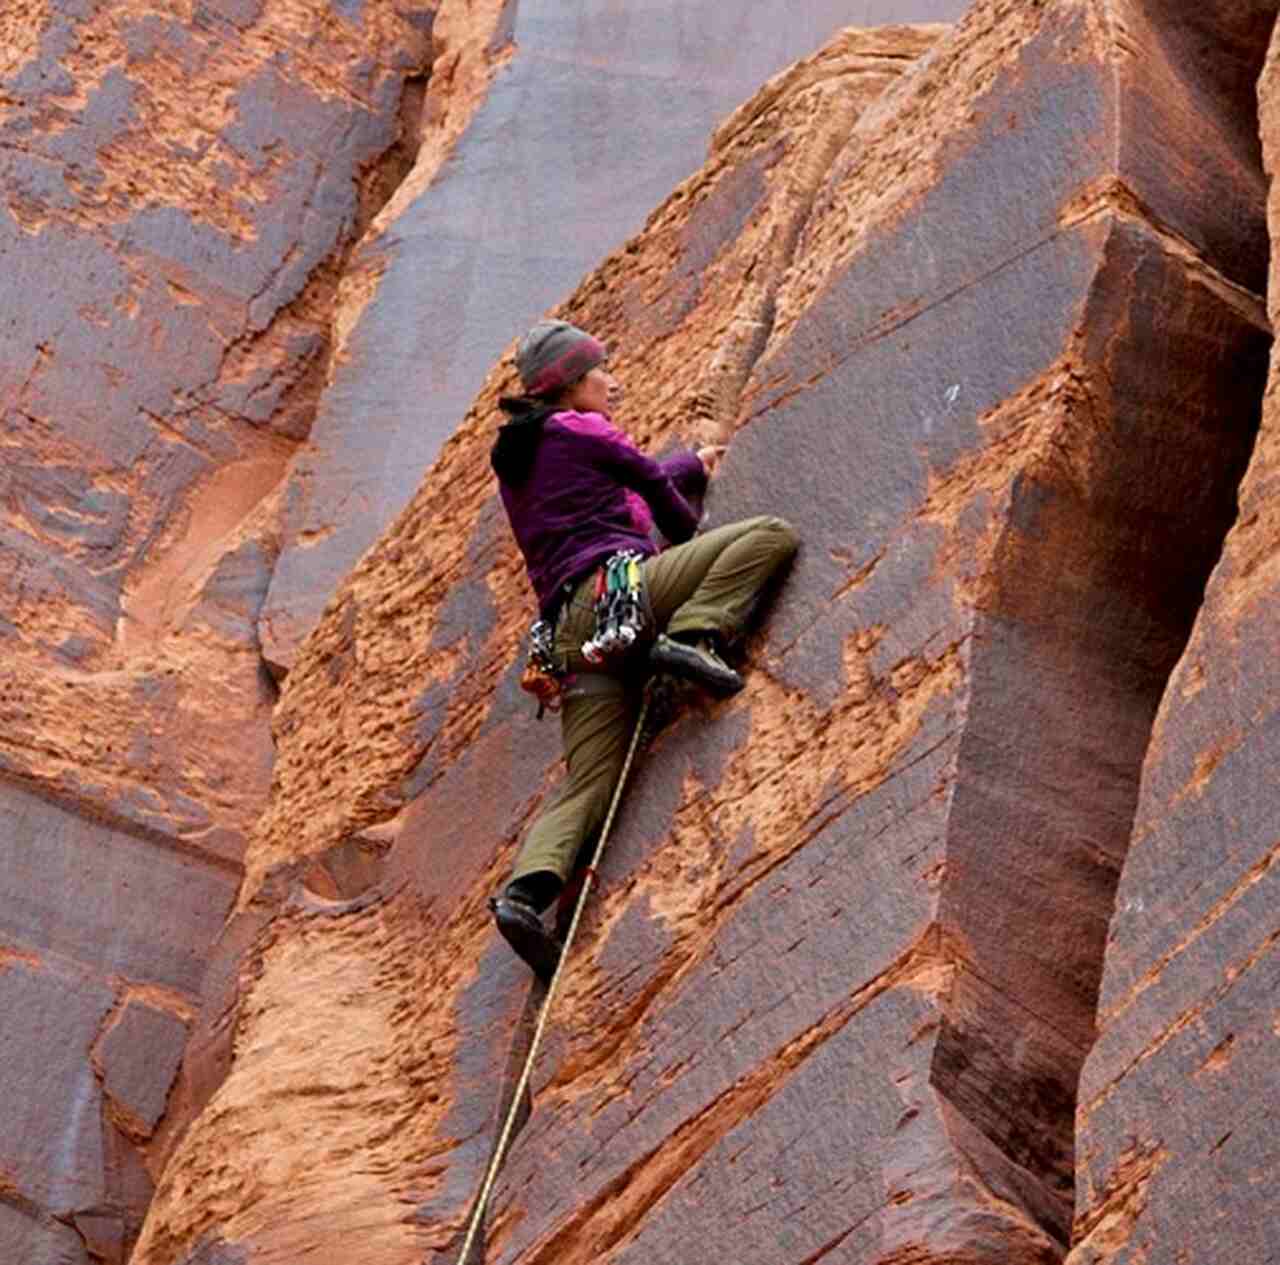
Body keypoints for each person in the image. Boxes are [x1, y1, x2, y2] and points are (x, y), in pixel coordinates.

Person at [489, 319, 799, 979]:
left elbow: (623, 483)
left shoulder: (521, 458)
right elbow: (651, 491)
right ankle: (693, 637)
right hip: (623, 594)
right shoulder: (582, 428)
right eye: (601, 371)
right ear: (570, 383)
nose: (614, 382)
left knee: (588, 779)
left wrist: (690, 464)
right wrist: (691, 536)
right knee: (769, 534)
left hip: (567, 639)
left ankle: (525, 895)